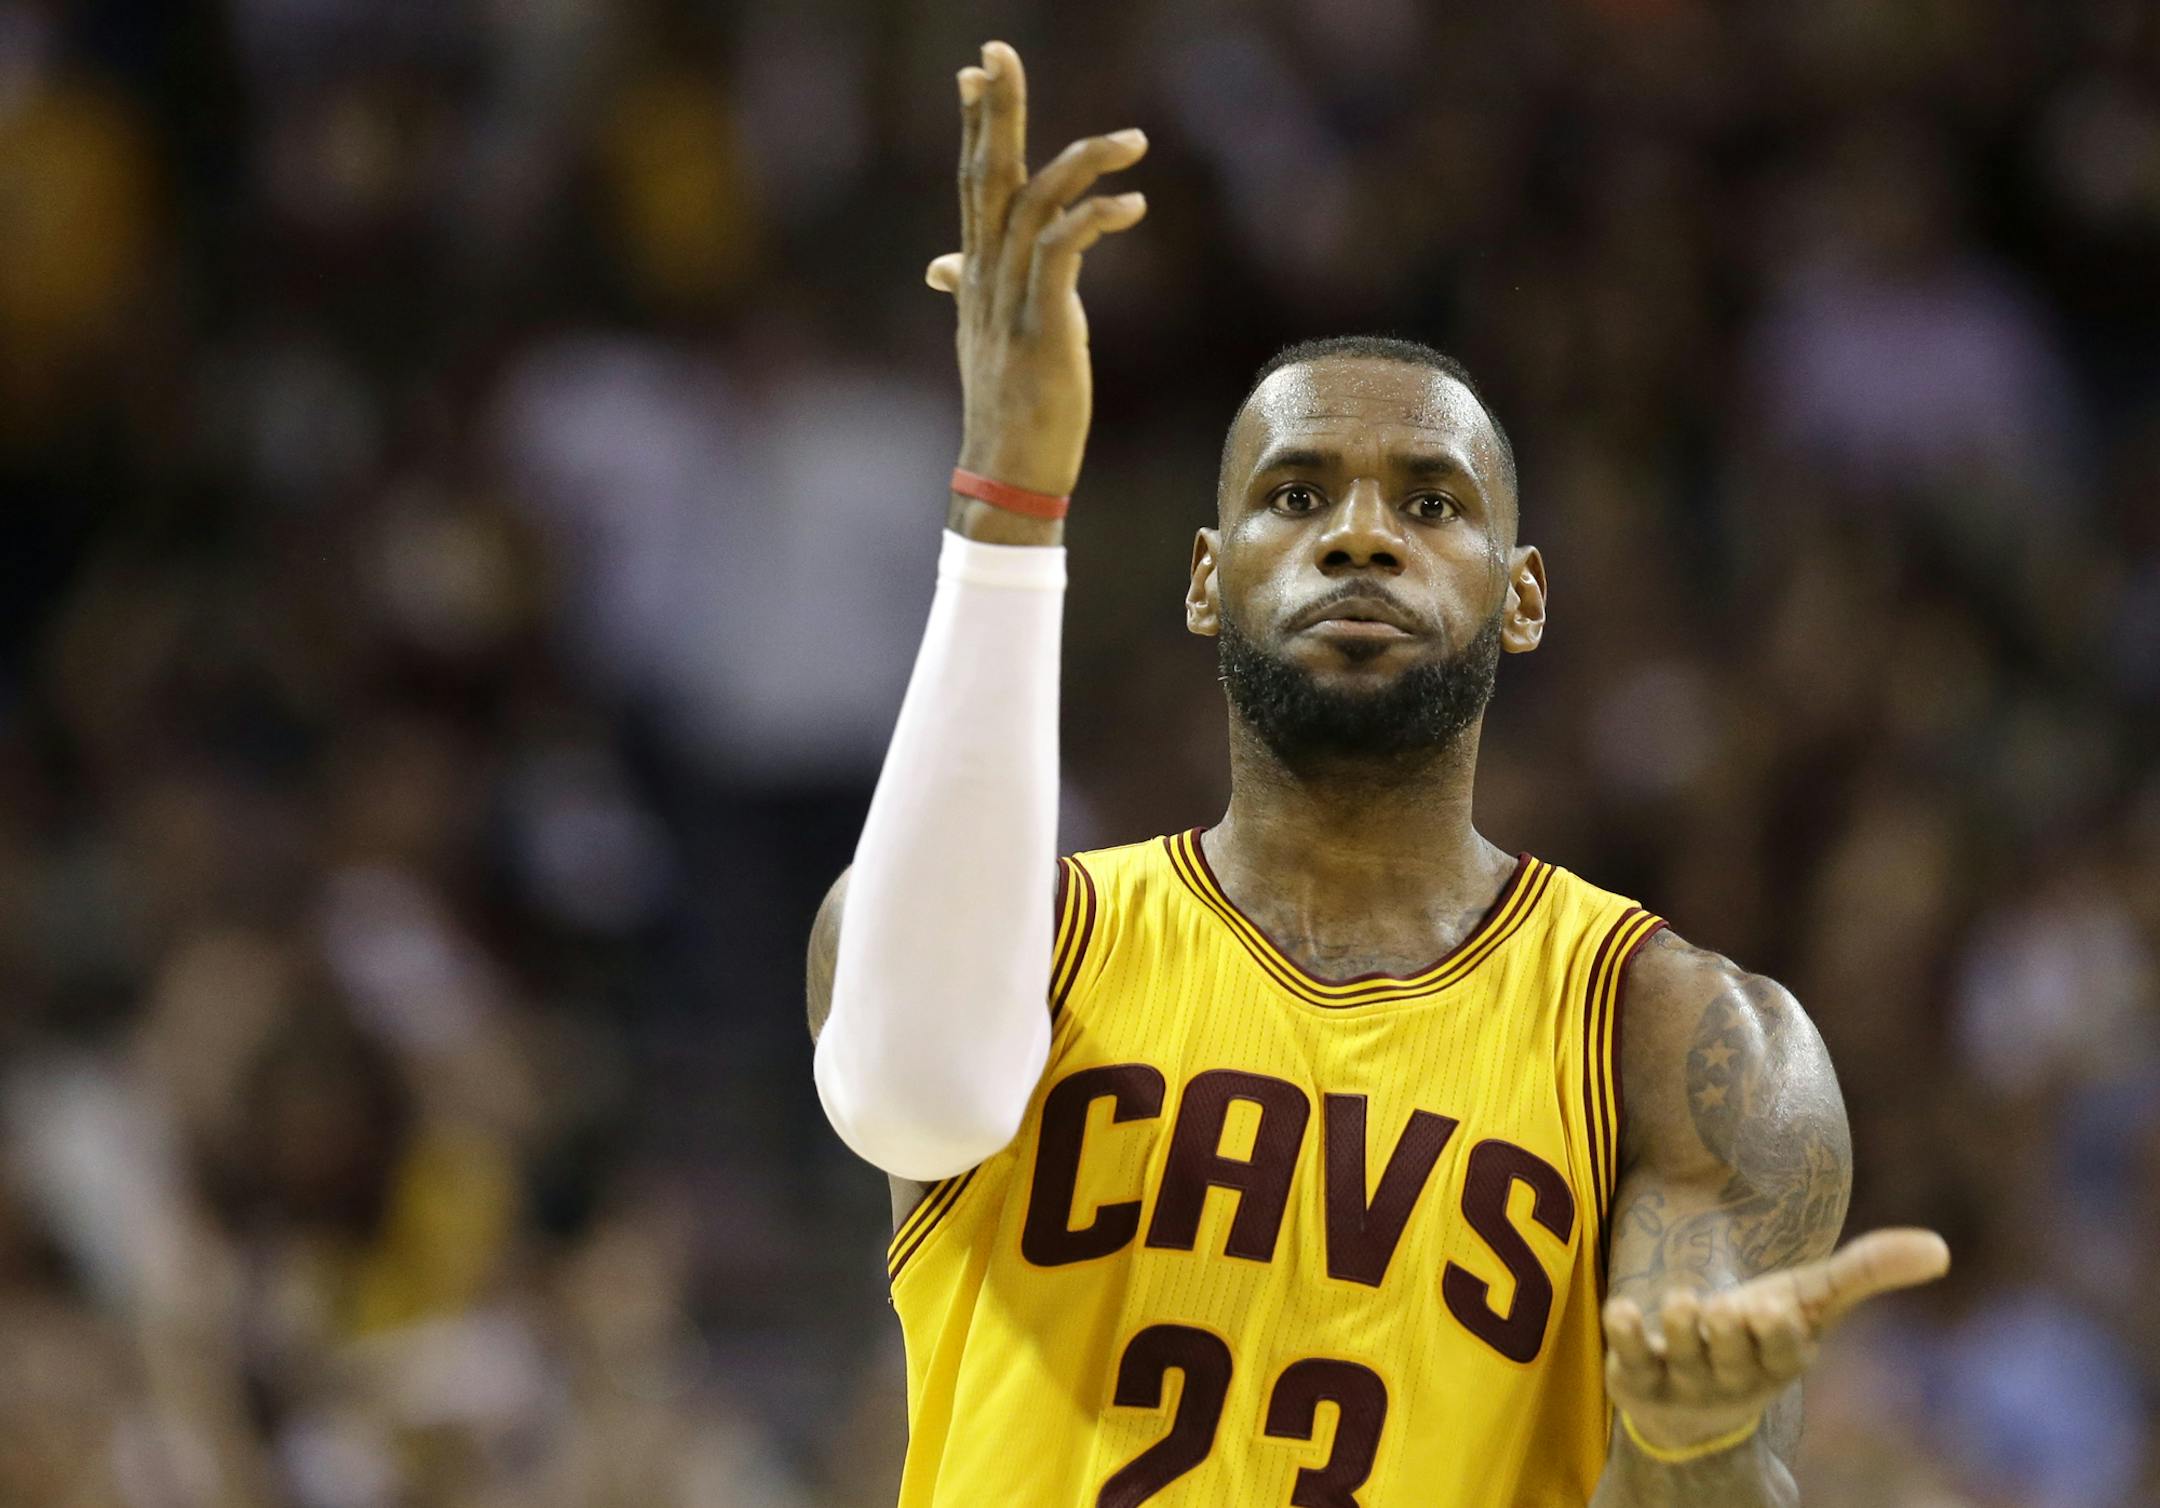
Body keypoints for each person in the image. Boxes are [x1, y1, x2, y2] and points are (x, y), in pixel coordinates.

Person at [807, 40, 1950, 1508]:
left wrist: (1694, 1440)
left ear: (1524, 594)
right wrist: (1012, 495)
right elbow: (904, 1095)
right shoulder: (1010, 947)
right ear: (1207, 581)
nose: (1361, 535)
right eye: (1297, 496)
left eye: (1431, 502)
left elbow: (1708, 1486)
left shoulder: (1673, 1038)